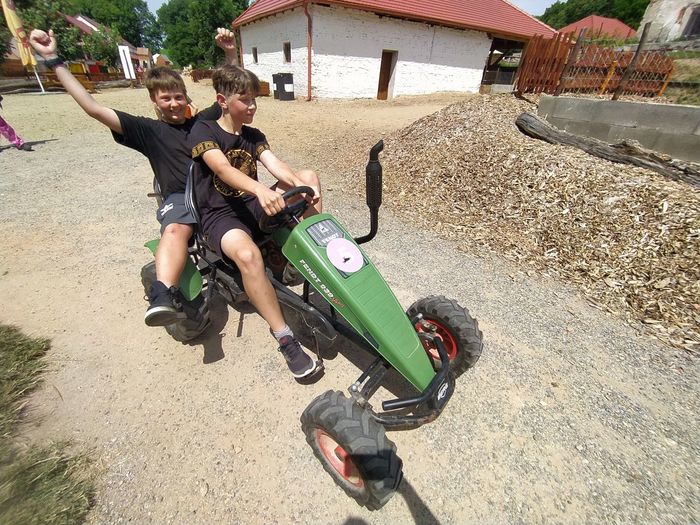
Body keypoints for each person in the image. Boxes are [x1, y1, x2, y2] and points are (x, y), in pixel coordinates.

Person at [29, 27, 237, 327]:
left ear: (186, 97)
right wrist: (54, 60)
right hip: (181, 199)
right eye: (166, 98)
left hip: (213, 192)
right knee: (175, 230)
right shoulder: (148, 131)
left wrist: (230, 53)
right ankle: (163, 294)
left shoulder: (200, 123)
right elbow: (93, 108)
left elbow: (229, 94)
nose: (174, 104)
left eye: (178, 97)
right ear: (154, 101)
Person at [190, 65, 323, 379]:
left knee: (307, 176)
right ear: (222, 101)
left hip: (251, 206)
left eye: (254, 100)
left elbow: (275, 164)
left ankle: (311, 256)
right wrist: (260, 189)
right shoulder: (204, 131)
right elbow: (222, 169)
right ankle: (285, 338)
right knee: (248, 256)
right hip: (220, 216)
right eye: (245, 100)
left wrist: (302, 187)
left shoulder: (253, 135)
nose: (252, 106)